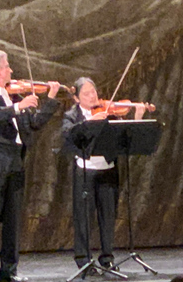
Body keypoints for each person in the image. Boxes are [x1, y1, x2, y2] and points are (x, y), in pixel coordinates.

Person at [0, 50, 61, 282]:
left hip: (16, 158)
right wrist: (18, 108)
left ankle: (9, 270)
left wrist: (52, 99)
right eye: (7, 66)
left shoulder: (17, 98)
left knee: (13, 218)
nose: (12, 71)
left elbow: (34, 123)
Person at [60, 77, 145, 271]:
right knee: (84, 217)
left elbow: (126, 136)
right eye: (86, 93)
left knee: (108, 217)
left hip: (108, 170)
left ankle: (107, 258)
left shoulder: (109, 112)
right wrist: (91, 121)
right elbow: (68, 134)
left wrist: (137, 116)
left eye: (94, 92)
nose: (92, 96)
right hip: (85, 171)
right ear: (77, 98)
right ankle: (84, 261)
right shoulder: (71, 116)